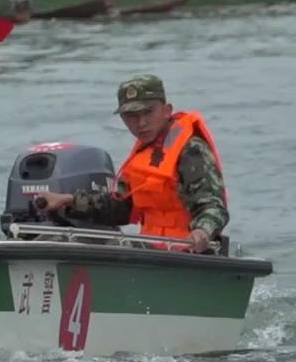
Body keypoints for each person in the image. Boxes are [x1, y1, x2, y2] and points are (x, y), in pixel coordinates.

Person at [35, 75, 229, 252]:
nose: (141, 123)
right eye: (132, 116)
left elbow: (214, 208)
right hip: (152, 250)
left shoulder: (190, 150)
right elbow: (120, 207)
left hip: (188, 253)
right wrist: (67, 200)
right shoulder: (143, 152)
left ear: (166, 110)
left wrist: (202, 232)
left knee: (117, 247)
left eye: (148, 112)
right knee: (57, 239)